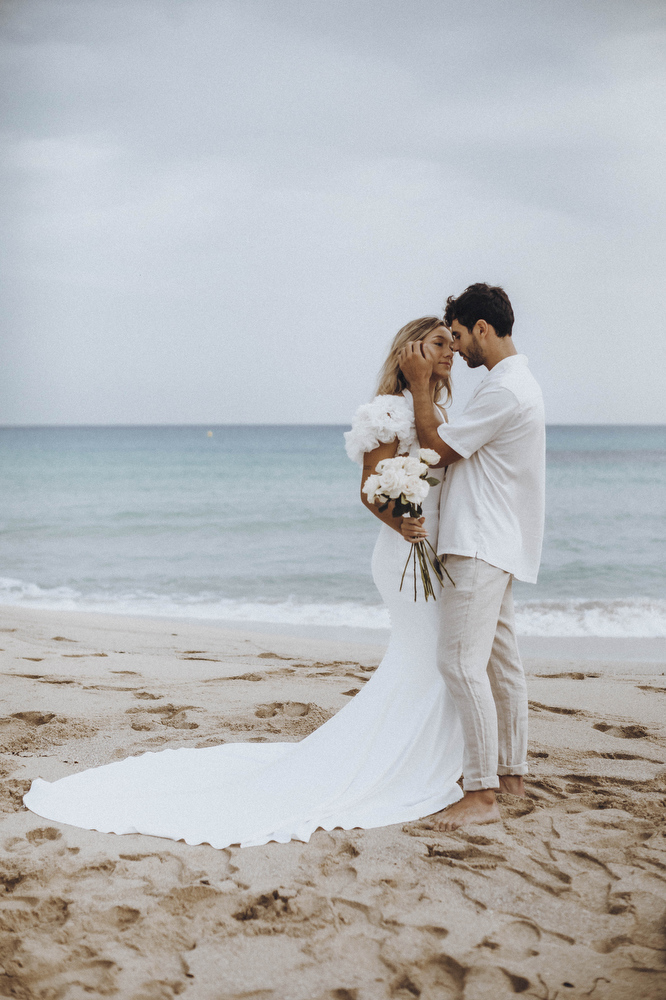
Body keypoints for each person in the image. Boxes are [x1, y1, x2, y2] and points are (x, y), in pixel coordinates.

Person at [23, 317, 465, 849]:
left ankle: (428, 757)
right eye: (440, 343)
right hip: (403, 552)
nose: (451, 352)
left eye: (453, 344)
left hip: (432, 549)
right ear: (409, 351)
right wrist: (404, 523)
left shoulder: (439, 413)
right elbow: (373, 491)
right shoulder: (386, 412)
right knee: (424, 653)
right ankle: (406, 764)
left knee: (432, 656)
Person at [398, 284, 546, 831]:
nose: (456, 349)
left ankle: (482, 793)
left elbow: (438, 449)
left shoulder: (505, 391)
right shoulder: (517, 384)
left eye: (458, 335)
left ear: (482, 328)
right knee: (499, 662)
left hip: (481, 540)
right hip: (499, 539)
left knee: (459, 662)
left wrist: (417, 385)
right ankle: (509, 776)